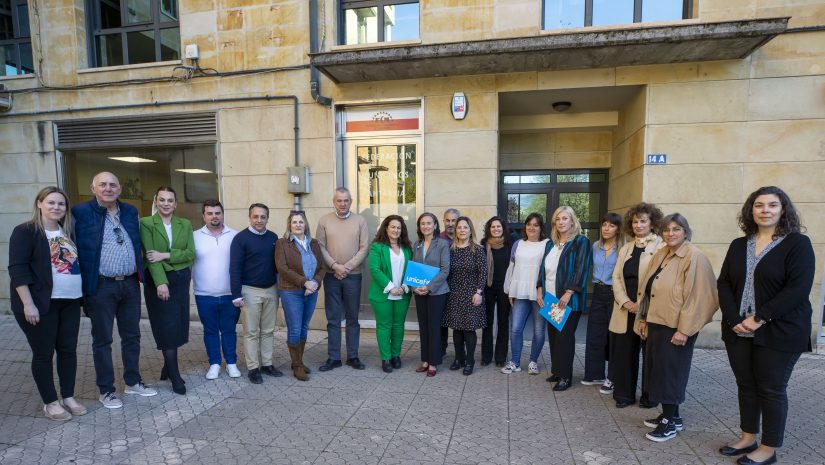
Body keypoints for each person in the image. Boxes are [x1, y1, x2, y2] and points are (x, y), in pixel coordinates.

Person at [717, 187, 814, 465]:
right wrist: (734, 319)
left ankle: (769, 448)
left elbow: (797, 289)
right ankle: (748, 437)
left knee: (771, 388)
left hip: (779, 329)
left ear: (783, 209)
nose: (765, 210)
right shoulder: (739, 244)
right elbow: (723, 282)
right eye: (759, 205)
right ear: (751, 210)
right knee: (746, 385)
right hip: (738, 330)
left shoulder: (798, 244)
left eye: (773, 205)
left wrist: (759, 318)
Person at [72, 172, 157, 409]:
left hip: (129, 283)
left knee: (132, 336)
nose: (108, 188)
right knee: (103, 340)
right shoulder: (80, 212)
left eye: (112, 185)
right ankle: (106, 390)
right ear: (93, 188)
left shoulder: (129, 212)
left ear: (119, 189)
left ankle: (133, 382)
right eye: (103, 185)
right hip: (101, 286)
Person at [635, 213, 718, 442]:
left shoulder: (694, 256)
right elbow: (647, 288)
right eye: (666, 230)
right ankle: (673, 415)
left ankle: (668, 423)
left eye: (676, 229)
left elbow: (702, 296)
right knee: (658, 372)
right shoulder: (662, 254)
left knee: (670, 374)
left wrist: (685, 329)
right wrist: (642, 318)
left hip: (676, 327)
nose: (670, 234)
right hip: (656, 322)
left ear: (685, 231)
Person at [9, 187, 86, 420]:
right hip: (41, 304)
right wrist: (28, 304)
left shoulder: (67, 232)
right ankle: (50, 402)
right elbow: (17, 270)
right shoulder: (26, 231)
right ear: (39, 204)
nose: (56, 207)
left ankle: (68, 396)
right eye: (51, 202)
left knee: (68, 351)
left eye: (61, 204)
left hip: (70, 302)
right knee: (44, 353)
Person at [607, 202, 664, 406]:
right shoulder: (626, 248)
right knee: (624, 354)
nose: (638, 225)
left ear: (652, 223)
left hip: (649, 310)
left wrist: (640, 305)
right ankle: (624, 395)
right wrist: (625, 302)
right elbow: (616, 278)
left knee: (650, 356)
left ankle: (650, 397)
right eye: (635, 222)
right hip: (625, 309)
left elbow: (659, 279)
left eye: (643, 221)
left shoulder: (662, 246)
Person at [139, 187, 195, 395]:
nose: (165, 203)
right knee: (166, 326)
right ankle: (174, 374)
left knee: (179, 324)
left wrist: (166, 255)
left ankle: (166, 365)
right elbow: (150, 256)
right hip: (159, 280)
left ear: (175, 203)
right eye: (161, 200)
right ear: (156, 201)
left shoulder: (185, 224)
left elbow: (190, 254)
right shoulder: (146, 223)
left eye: (170, 200)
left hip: (180, 280)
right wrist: (161, 282)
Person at [537, 206, 591, 391]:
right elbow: (542, 269)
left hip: (568, 299)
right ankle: (558, 371)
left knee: (564, 337)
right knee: (553, 336)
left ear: (572, 221)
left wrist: (569, 292)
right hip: (550, 297)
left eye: (565, 218)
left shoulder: (580, 242)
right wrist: (539, 290)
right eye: (558, 219)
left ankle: (566, 377)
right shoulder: (550, 244)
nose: (561, 222)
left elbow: (581, 269)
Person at [316, 187, 369, 371]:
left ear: (351, 201)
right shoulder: (324, 221)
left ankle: (353, 356)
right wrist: (334, 266)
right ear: (334, 201)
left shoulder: (360, 221)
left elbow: (364, 248)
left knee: (353, 318)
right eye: (339, 200)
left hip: (353, 276)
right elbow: (320, 247)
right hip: (331, 276)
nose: (343, 203)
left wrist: (346, 267)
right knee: (333, 318)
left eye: (346, 200)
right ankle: (334, 357)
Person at [230, 203, 281, 384]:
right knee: (251, 332)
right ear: (250, 217)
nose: (259, 220)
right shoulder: (240, 239)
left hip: (271, 290)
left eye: (263, 217)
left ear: (267, 218)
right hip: (250, 291)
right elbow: (234, 268)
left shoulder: (274, 238)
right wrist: (236, 294)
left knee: (268, 330)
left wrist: (280, 290)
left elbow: (278, 267)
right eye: (256, 216)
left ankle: (267, 364)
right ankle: (253, 368)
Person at [193, 200, 241, 380]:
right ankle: (214, 363)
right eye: (210, 213)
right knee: (210, 330)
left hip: (230, 294)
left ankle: (231, 363)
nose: (214, 216)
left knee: (229, 330)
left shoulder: (235, 236)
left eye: (217, 213)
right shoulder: (194, 236)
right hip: (204, 295)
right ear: (204, 216)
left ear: (223, 214)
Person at [275, 211, 325, 381]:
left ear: (306, 225)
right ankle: (296, 366)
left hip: (311, 291)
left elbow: (322, 267)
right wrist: (305, 282)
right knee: (295, 328)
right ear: (289, 225)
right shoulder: (283, 244)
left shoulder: (314, 243)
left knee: (304, 327)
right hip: (291, 291)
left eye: (301, 222)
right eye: (294, 222)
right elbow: (282, 268)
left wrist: (315, 283)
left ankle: (299, 361)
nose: (298, 225)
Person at [501, 213, 549, 376]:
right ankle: (515, 362)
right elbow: (512, 267)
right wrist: (509, 289)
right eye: (529, 224)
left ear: (541, 227)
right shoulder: (518, 244)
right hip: (519, 292)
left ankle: (533, 361)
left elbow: (549, 270)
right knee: (515, 329)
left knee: (539, 330)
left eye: (536, 225)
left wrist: (542, 289)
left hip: (539, 294)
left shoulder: (547, 244)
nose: (532, 227)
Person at [581, 213, 623, 387]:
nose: (606, 228)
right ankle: (594, 374)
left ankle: (612, 378)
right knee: (594, 334)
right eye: (604, 224)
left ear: (618, 229)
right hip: (598, 292)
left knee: (614, 336)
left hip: (615, 294)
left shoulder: (623, 249)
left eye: (611, 225)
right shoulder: (596, 246)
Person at [368, 215, 413, 373]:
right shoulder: (377, 247)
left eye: (399, 227)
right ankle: (385, 358)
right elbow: (374, 269)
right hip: (383, 293)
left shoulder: (406, 248)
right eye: (393, 227)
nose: (396, 230)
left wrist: (405, 286)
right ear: (386, 228)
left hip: (403, 293)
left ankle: (396, 356)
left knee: (398, 326)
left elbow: (411, 269)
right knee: (384, 325)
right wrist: (391, 286)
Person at [444, 216, 487, 376]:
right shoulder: (450, 250)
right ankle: (458, 358)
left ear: (470, 230)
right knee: (456, 329)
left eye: (465, 227)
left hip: (472, 294)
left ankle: (470, 361)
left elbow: (483, 272)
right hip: (454, 293)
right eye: (459, 227)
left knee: (469, 330)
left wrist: (479, 292)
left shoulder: (477, 249)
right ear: (455, 230)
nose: (462, 230)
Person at [411, 213, 451, 377]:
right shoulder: (417, 244)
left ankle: (433, 362)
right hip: (420, 292)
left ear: (435, 225)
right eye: (422, 224)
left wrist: (429, 287)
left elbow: (445, 270)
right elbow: (414, 268)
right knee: (423, 327)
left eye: (429, 223)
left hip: (437, 292)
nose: (425, 226)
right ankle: (425, 360)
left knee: (434, 327)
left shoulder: (442, 244)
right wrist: (415, 287)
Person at [480, 216, 512, 367]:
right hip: (488, 288)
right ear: (489, 229)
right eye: (493, 227)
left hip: (505, 289)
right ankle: (486, 356)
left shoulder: (510, 245)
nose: (496, 229)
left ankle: (500, 357)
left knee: (503, 322)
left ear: (503, 228)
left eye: (498, 226)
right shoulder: (483, 245)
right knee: (487, 322)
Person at [439, 208, 460, 356]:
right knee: (441, 320)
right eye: (448, 220)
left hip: (460, 287)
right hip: (441, 286)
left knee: (459, 322)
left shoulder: (465, 238)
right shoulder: (438, 239)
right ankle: (441, 350)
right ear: (444, 221)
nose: (450, 223)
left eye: (454, 220)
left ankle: (460, 354)